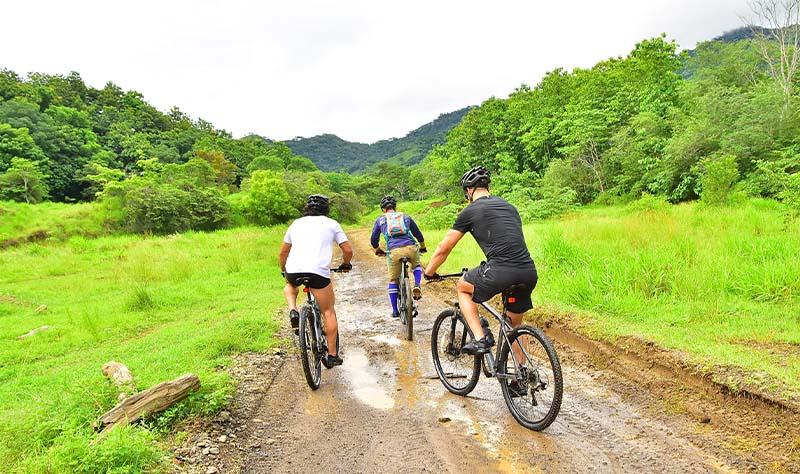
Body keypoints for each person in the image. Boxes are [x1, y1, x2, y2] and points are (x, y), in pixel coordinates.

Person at [424, 166, 537, 358]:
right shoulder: (509, 206)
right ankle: (523, 376)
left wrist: (429, 272)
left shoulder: (470, 211)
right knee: (514, 326)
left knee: (462, 287)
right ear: (487, 186)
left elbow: (444, 247)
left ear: (469, 190)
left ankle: (480, 338)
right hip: (528, 271)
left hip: (500, 271)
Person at [279, 194, 353, 368]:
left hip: (294, 270)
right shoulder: (332, 224)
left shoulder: (296, 224)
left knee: (290, 285)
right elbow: (348, 250)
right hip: (318, 273)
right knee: (328, 311)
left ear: (307, 208)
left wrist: (284, 270)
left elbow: (283, 253)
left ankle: (293, 309)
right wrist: (345, 264)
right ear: (326, 209)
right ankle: (332, 355)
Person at [370, 195, 427, 319]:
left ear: (383, 210)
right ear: (395, 207)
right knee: (417, 265)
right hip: (411, 248)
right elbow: (418, 234)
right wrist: (422, 246)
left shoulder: (381, 220)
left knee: (393, 280)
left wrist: (377, 249)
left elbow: (374, 239)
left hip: (394, 252)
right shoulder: (405, 216)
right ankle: (417, 284)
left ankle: (395, 310)